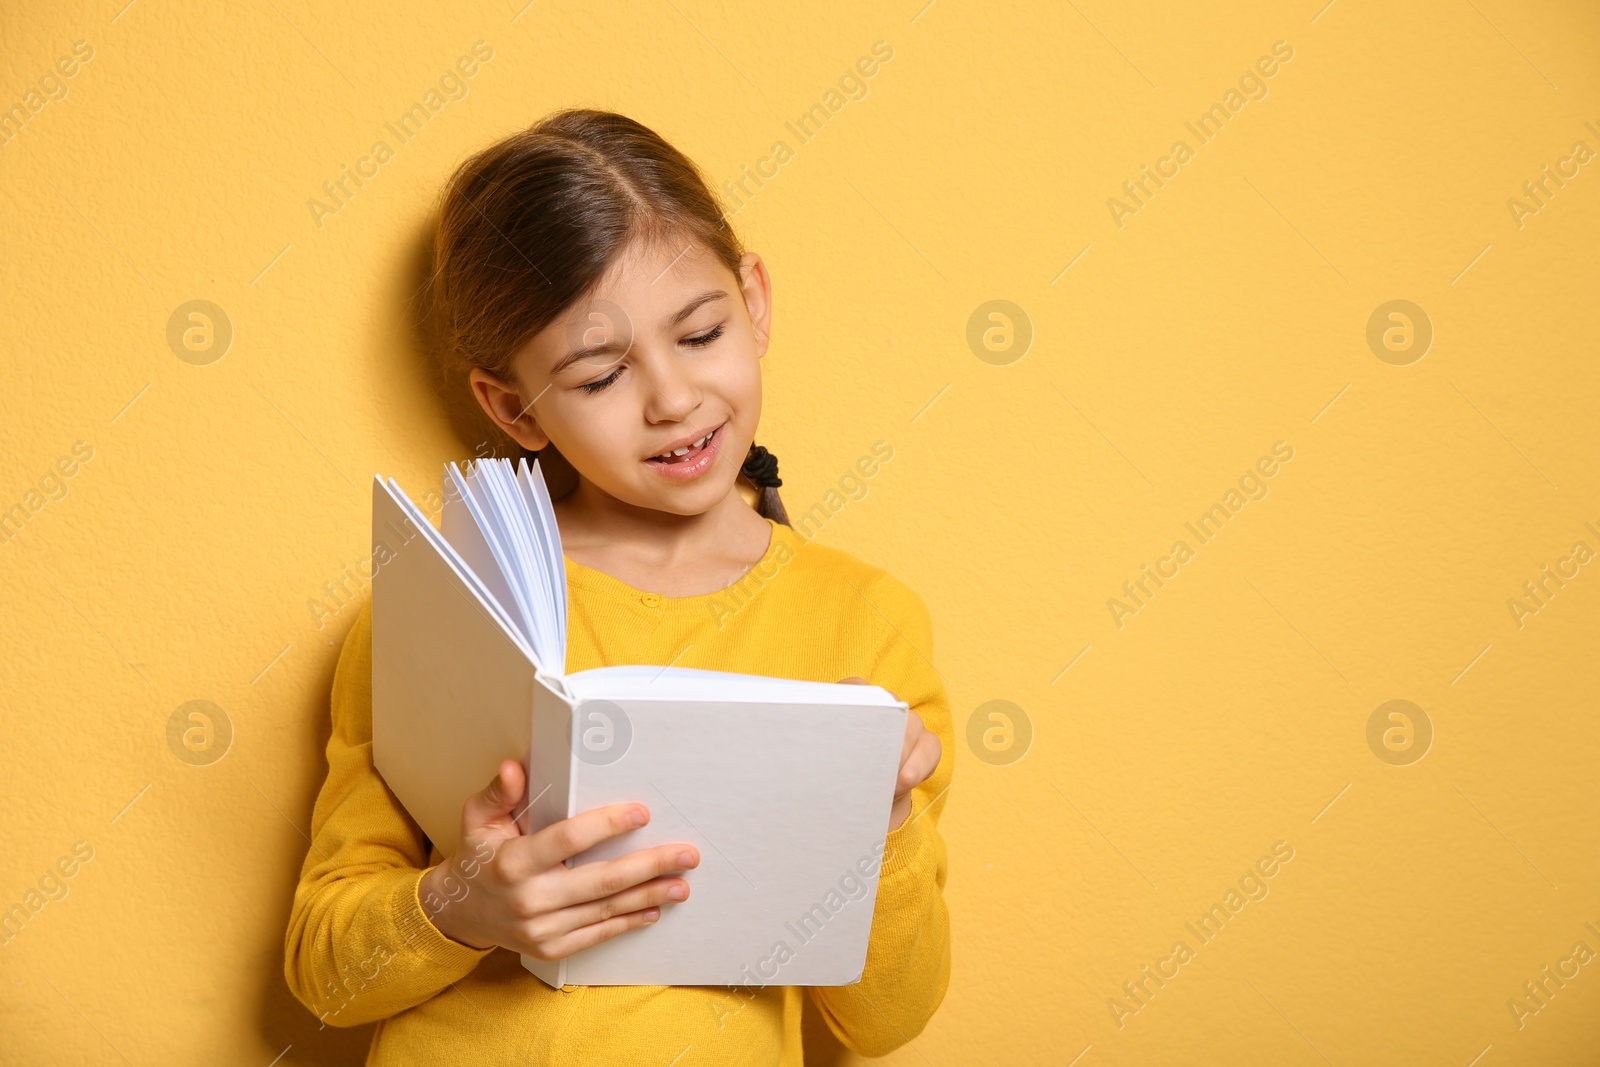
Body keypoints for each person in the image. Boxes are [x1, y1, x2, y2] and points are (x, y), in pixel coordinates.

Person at [283, 107, 953, 1065]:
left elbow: (885, 1020)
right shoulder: (437, 611)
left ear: (754, 301)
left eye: (702, 333)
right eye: (599, 377)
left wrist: (879, 822)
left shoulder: (866, 624)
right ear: (514, 407)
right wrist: (460, 904)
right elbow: (324, 974)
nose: (674, 399)